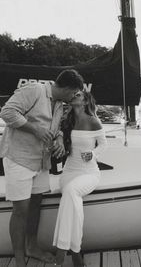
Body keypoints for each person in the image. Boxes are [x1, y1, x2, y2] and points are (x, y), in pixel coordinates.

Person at [0, 69, 84, 267]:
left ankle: (31, 247)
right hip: (19, 159)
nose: (74, 97)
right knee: (21, 210)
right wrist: (35, 129)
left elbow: (59, 128)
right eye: (74, 93)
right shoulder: (35, 90)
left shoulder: (60, 105)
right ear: (66, 88)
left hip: (41, 161)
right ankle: (20, 260)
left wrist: (60, 139)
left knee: (36, 203)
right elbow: (6, 112)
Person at [53, 90, 107, 267]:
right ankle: (76, 252)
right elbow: (59, 132)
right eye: (74, 94)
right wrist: (60, 138)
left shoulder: (93, 121)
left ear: (84, 101)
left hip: (89, 173)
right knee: (71, 197)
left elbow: (104, 144)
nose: (75, 96)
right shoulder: (67, 120)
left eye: (78, 95)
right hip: (69, 172)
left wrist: (92, 154)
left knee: (70, 192)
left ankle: (61, 254)